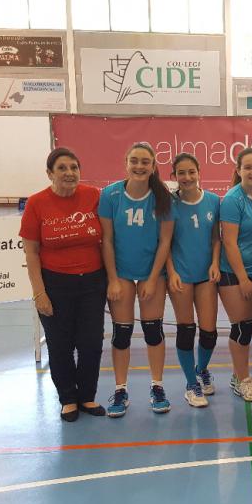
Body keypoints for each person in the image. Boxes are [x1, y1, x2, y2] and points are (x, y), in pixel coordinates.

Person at [20, 147, 107, 422]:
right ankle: (68, 399)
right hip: (55, 284)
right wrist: (39, 293)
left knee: (91, 343)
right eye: (62, 168)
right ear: (50, 173)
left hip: (93, 282)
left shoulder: (94, 196)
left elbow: (107, 238)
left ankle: (87, 396)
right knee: (60, 345)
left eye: (74, 167)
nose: (69, 173)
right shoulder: (36, 203)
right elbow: (31, 252)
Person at [100, 142, 174, 416]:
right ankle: (121, 389)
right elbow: (107, 240)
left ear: (153, 166)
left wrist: (153, 278)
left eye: (145, 162)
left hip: (151, 272)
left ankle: (157, 386)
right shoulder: (110, 195)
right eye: (135, 161)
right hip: (120, 272)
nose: (139, 166)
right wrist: (112, 279)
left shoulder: (163, 197)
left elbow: (165, 241)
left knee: (153, 331)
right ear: (126, 163)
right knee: (121, 334)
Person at [218, 147, 252, 402]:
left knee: (249, 324)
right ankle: (243, 379)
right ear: (238, 170)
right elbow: (229, 243)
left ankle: (238, 375)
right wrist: (242, 278)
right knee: (240, 326)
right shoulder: (233, 199)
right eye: (248, 167)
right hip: (234, 272)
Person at [166, 153, 221, 408]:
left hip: (205, 275)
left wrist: (215, 263)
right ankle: (191, 384)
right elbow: (164, 242)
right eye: (181, 173)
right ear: (174, 176)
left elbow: (216, 238)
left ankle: (202, 369)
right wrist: (171, 272)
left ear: (199, 172)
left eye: (191, 172)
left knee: (209, 332)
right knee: (186, 331)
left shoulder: (213, 200)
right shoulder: (169, 203)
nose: (187, 177)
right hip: (181, 275)